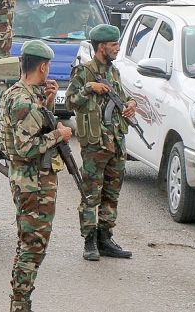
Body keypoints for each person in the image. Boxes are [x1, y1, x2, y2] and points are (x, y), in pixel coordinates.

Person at [0, 39, 73, 312]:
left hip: (30, 179)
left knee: (28, 242)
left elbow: (33, 129)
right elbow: (27, 147)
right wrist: (59, 134)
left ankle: (21, 301)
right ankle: (20, 303)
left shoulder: (17, 93)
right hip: (33, 183)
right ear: (42, 67)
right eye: (48, 66)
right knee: (33, 245)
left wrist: (49, 103)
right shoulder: (24, 101)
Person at [65, 24, 136, 262]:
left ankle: (105, 238)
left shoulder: (113, 72)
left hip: (116, 142)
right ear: (101, 47)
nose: (117, 49)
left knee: (111, 194)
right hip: (95, 145)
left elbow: (123, 97)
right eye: (113, 45)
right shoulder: (84, 72)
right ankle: (89, 241)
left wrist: (130, 105)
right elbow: (70, 103)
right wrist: (89, 88)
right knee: (90, 195)